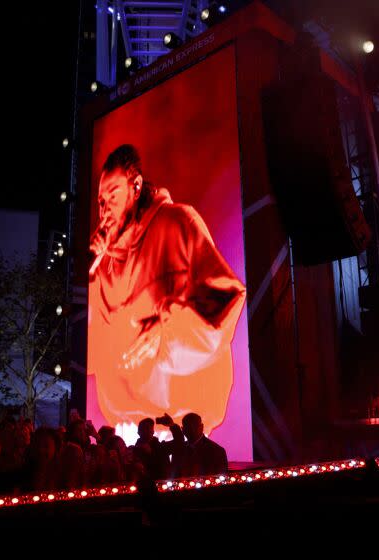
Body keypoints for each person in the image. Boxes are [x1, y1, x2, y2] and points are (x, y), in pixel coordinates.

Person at [88, 144, 246, 436]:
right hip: (128, 427)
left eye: (113, 196)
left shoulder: (178, 222)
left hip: (183, 424)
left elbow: (224, 295)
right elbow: (91, 353)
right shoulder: (104, 265)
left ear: (136, 187)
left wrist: (168, 327)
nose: (105, 209)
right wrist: (89, 274)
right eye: (100, 202)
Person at [157, 412, 227, 478]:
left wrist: (173, 426)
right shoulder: (178, 448)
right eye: (188, 426)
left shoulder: (217, 451)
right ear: (183, 429)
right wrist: (172, 426)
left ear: (202, 427)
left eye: (194, 426)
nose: (192, 429)